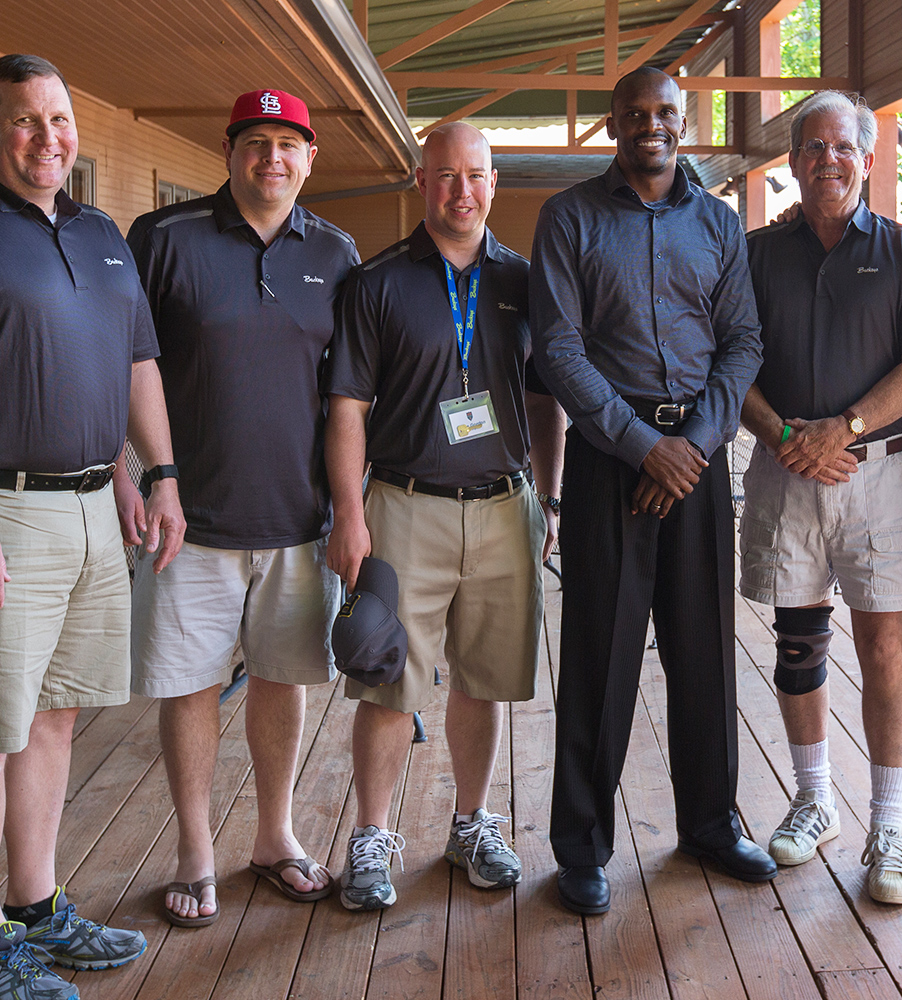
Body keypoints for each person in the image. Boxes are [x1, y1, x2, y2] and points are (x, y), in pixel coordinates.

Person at [0, 54, 184, 1000]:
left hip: (97, 506)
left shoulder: (98, 232)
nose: (48, 138)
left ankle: (36, 907)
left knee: (54, 721)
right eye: (25, 121)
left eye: (59, 119)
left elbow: (134, 363)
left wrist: (151, 473)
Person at [531, 66, 771, 916]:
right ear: (613, 124)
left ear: (683, 121)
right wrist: (642, 448)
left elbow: (742, 342)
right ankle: (583, 847)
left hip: (698, 458)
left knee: (704, 647)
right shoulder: (569, 217)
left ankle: (709, 823)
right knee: (600, 655)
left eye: (666, 112)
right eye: (635, 114)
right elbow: (558, 349)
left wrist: (694, 446)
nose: (651, 125)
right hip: (609, 457)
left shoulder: (718, 223)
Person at [123, 89, 359, 927]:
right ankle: (193, 851)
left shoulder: (337, 252)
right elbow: (127, 361)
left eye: (288, 144)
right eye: (256, 142)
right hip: (190, 521)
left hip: (298, 521)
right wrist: (142, 474)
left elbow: (349, 396)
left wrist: (349, 509)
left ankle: (274, 836)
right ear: (228, 152)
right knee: (188, 688)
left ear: (310, 158)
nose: (272, 159)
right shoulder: (165, 238)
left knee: (283, 679)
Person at [326, 122, 565, 912]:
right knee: (386, 679)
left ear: (494, 183)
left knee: (486, 678)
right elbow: (348, 408)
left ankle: (471, 824)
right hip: (404, 505)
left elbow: (545, 398)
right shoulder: (378, 282)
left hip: (505, 507)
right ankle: (370, 837)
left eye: (476, 176)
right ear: (421, 181)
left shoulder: (525, 282)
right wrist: (349, 515)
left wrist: (547, 496)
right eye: (445, 175)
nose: (462, 191)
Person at [741, 92, 902, 905]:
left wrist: (846, 428)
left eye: (844, 147)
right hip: (784, 467)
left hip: (879, 473)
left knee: (883, 646)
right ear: (791, 161)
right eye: (812, 147)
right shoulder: (754, 252)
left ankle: (887, 822)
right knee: (797, 642)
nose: (829, 160)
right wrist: (785, 434)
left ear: (867, 158)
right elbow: (735, 360)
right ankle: (813, 798)